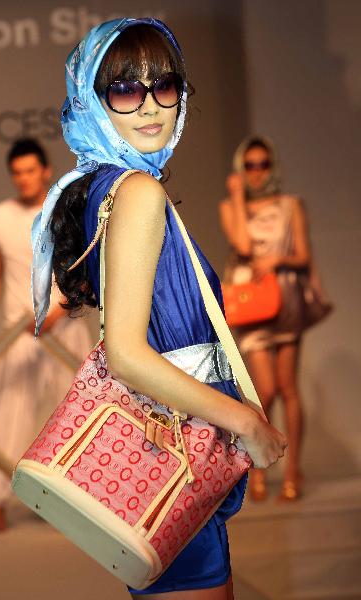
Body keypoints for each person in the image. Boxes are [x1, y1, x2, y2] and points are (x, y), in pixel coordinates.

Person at [32, 20, 287, 600]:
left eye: (165, 85)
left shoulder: (106, 187)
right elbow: (125, 354)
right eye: (125, 90)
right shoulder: (139, 193)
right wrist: (245, 420)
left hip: (160, 449)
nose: (150, 106)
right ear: (92, 103)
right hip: (173, 453)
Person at [0, 138, 95, 537]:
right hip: (18, 336)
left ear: (45, 170)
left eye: (30, 170)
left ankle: (81, 507)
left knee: (77, 419)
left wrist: (60, 309)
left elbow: (84, 268)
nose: (23, 178)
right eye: (17, 172)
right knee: (5, 419)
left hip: (66, 329)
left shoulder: (66, 210)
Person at [219, 136, 311, 503]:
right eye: (250, 165)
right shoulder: (231, 206)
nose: (257, 172)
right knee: (266, 389)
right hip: (253, 302)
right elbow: (242, 245)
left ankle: (293, 470)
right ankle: (258, 463)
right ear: (242, 169)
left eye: (264, 165)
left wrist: (277, 261)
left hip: (285, 298)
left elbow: (302, 255)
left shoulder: (290, 206)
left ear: (273, 166)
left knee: (289, 388)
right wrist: (239, 196)